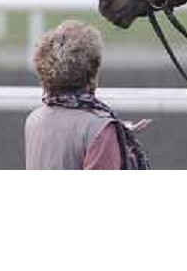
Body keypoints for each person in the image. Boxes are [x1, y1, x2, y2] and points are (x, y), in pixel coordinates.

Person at [25, 19, 150, 170]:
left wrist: (117, 133)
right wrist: (111, 136)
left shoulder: (34, 120)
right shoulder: (99, 130)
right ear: (93, 68)